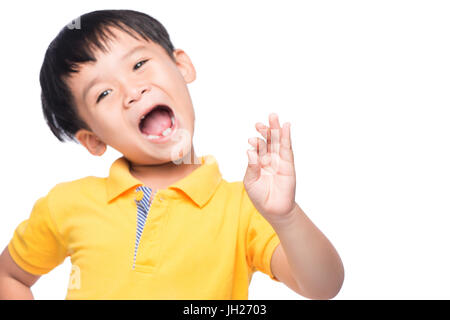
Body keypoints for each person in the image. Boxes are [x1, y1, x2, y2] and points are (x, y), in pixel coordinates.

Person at [0, 9, 344, 299]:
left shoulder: (242, 208)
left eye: (138, 65)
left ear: (182, 66)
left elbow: (323, 286)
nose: (132, 92)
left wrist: (285, 217)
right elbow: (10, 276)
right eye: (103, 93)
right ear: (92, 140)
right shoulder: (66, 204)